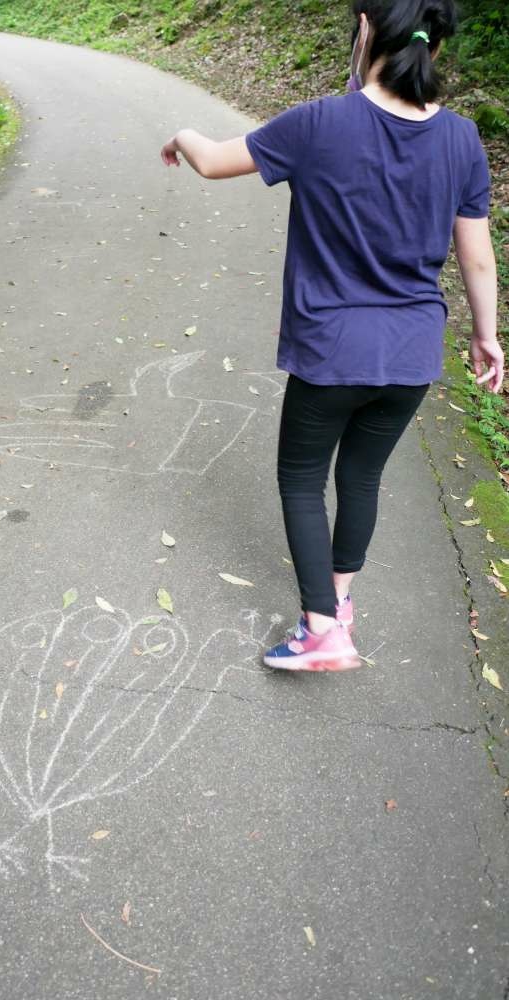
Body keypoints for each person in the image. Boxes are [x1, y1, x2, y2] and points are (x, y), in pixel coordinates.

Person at [160, 0, 502, 671]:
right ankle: (339, 603)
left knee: (301, 478)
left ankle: (322, 630)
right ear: (436, 48)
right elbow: (479, 259)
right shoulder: (463, 139)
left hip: (330, 352)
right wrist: (487, 336)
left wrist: (181, 131)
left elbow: (213, 161)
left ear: (367, 29)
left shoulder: (321, 123)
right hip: (411, 356)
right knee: (362, 477)